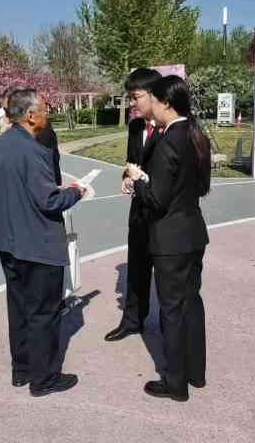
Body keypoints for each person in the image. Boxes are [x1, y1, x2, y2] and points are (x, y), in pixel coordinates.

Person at [0, 89, 87, 397]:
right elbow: (49, 200)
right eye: (44, 109)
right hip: (37, 242)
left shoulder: (3, 144)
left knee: (19, 308)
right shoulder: (32, 150)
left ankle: (22, 369)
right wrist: (76, 192)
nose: (47, 113)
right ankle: (44, 378)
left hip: (9, 240)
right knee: (44, 312)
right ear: (30, 115)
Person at [127, 75, 211, 402]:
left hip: (169, 240)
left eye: (153, 101)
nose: (150, 106)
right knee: (192, 304)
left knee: (172, 311)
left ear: (165, 103)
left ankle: (175, 384)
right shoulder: (195, 134)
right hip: (193, 232)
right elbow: (198, 186)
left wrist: (138, 180)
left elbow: (157, 199)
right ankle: (195, 373)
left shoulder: (168, 141)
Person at [104, 68, 162, 342]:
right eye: (129, 97)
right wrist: (126, 176)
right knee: (137, 269)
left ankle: (169, 325)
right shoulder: (136, 127)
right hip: (139, 211)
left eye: (135, 97)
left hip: (163, 214)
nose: (131, 103)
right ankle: (132, 321)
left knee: (166, 275)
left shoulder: (171, 127)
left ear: (153, 95)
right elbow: (131, 162)